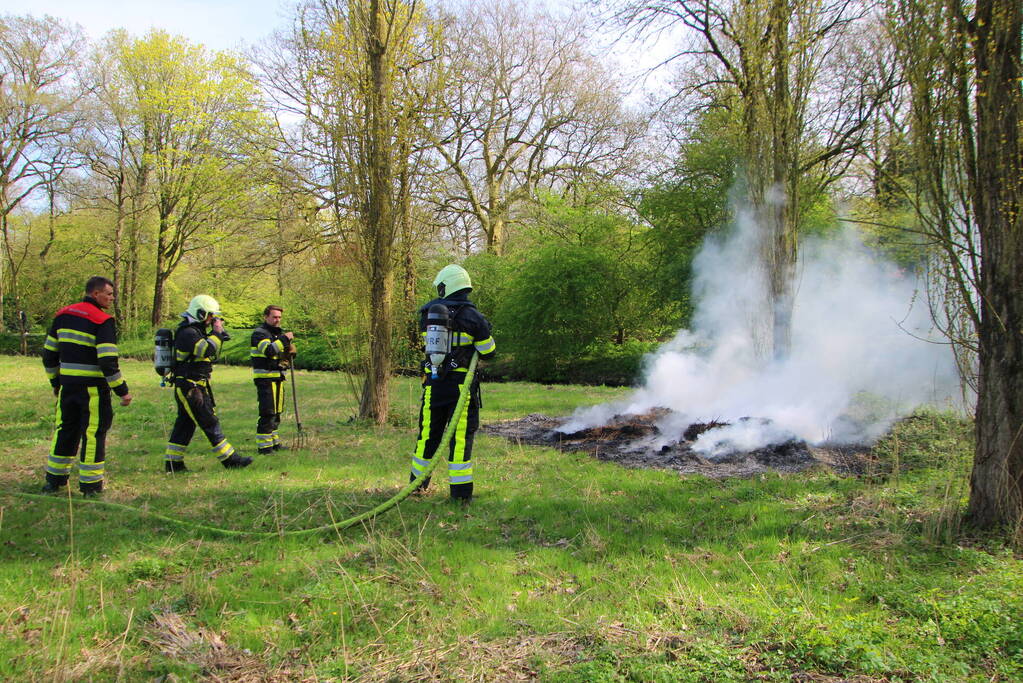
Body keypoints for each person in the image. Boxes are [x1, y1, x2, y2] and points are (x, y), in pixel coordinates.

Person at [408, 264, 496, 502]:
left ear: (445, 286)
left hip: (433, 384)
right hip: (461, 389)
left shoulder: (427, 314)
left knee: (428, 435)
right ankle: (460, 495)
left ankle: (416, 486)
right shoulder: (474, 317)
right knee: (459, 440)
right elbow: (488, 352)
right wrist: (484, 331)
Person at [41, 276, 132, 497]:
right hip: (92, 390)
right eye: (109, 294)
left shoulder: (62, 315)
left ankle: (54, 481)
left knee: (65, 430)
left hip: (68, 387)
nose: (112, 298)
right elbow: (108, 361)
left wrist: (56, 382)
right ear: (95, 294)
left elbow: (49, 355)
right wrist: (122, 390)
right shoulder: (102, 320)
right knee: (93, 434)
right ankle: (90, 486)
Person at [163, 295, 250, 472]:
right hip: (189, 386)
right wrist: (217, 332)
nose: (212, 320)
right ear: (201, 313)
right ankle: (230, 459)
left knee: (185, 424)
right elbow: (207, 349)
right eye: (210, 316)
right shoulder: (188, 333)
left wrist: (216, 333)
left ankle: (173, 463)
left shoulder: (196, 331)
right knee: (209, 421)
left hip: (195, 384)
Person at [250, 305, 295, 455]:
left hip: (278, 378)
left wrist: (289, 355)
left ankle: (274, 443)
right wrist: (284, 339)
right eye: (274, 317)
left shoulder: (277, 334)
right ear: (266, 317)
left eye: (279, 317)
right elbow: (269, 351)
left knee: (277, 412)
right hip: (265, 379)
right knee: (268, 413)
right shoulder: (259, 334)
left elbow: (280, 356)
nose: (277, 320)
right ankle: (264, 447)